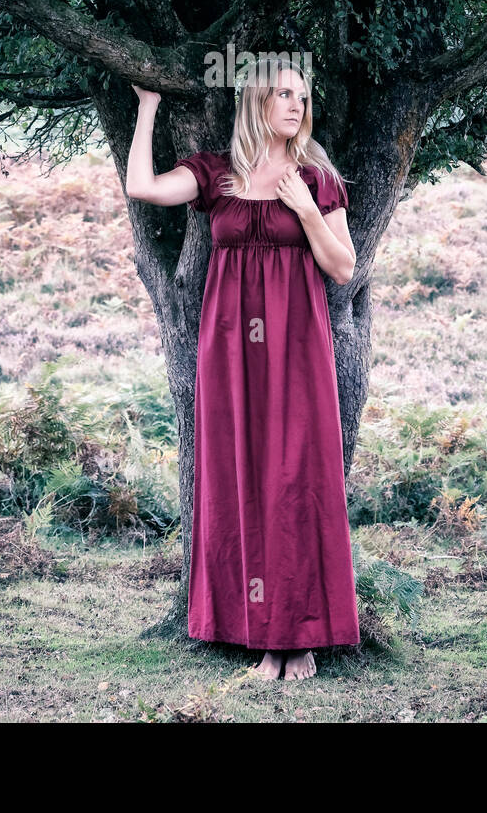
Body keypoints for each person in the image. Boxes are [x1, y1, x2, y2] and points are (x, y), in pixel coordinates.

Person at [125, 60, 359, 681]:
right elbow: (143, 188)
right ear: (256, 99)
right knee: (240, 479)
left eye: (302, 96)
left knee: (296, 479)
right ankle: (257, 633)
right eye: (282, 93)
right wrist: (147, 106)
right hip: (228, 351)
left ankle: (299, 636)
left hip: (298, 348)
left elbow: (342, 268)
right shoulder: (216, 174)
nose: (294, 104)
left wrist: (307, 211)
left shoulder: (316, 176)